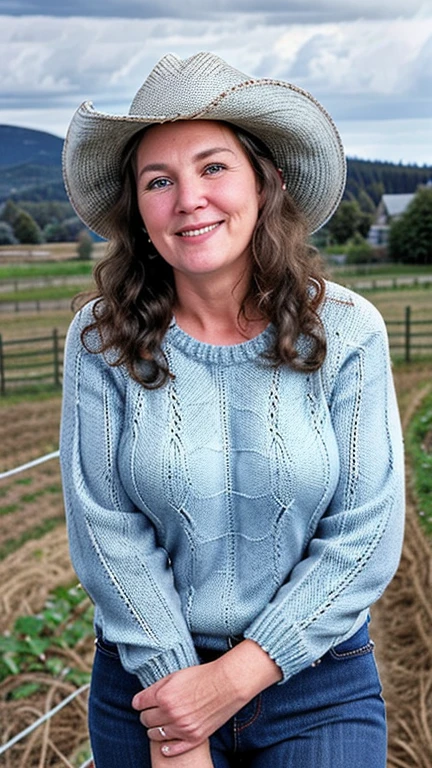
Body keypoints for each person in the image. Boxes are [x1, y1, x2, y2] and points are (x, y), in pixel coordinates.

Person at [60, 51, 405, 768]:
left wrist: (233, 680)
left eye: (214, 167)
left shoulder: (347, 331)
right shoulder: (100, 340)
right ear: (138, 209)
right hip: (149, 689)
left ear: (267, 181)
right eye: (160, 181)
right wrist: (177, 707)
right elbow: (105, 532)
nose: (189, 198)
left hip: (319, 685)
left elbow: (365, 535)